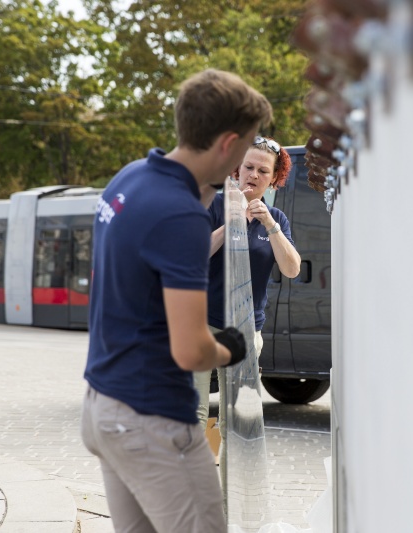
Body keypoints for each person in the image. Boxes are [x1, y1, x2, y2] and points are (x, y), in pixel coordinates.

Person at [80, 69, 272, 533]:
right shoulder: (181, 216)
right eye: (243, 147)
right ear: (228, 143)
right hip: (153, 421)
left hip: (104, 407)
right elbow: (190, 350)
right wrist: (232, 346)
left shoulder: (130, 179)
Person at [193, 136, 301, 483]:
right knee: (191, 415)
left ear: (274, 179)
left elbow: (292, 269)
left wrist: (269, 226)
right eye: (248, 167)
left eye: (262, 171)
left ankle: (231, 504)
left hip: (245, 332)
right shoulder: (213, 205)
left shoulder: (277, 218)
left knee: (237, 422)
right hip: (201, 327)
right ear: (236, 169)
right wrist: (230, 223)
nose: (253, 176)